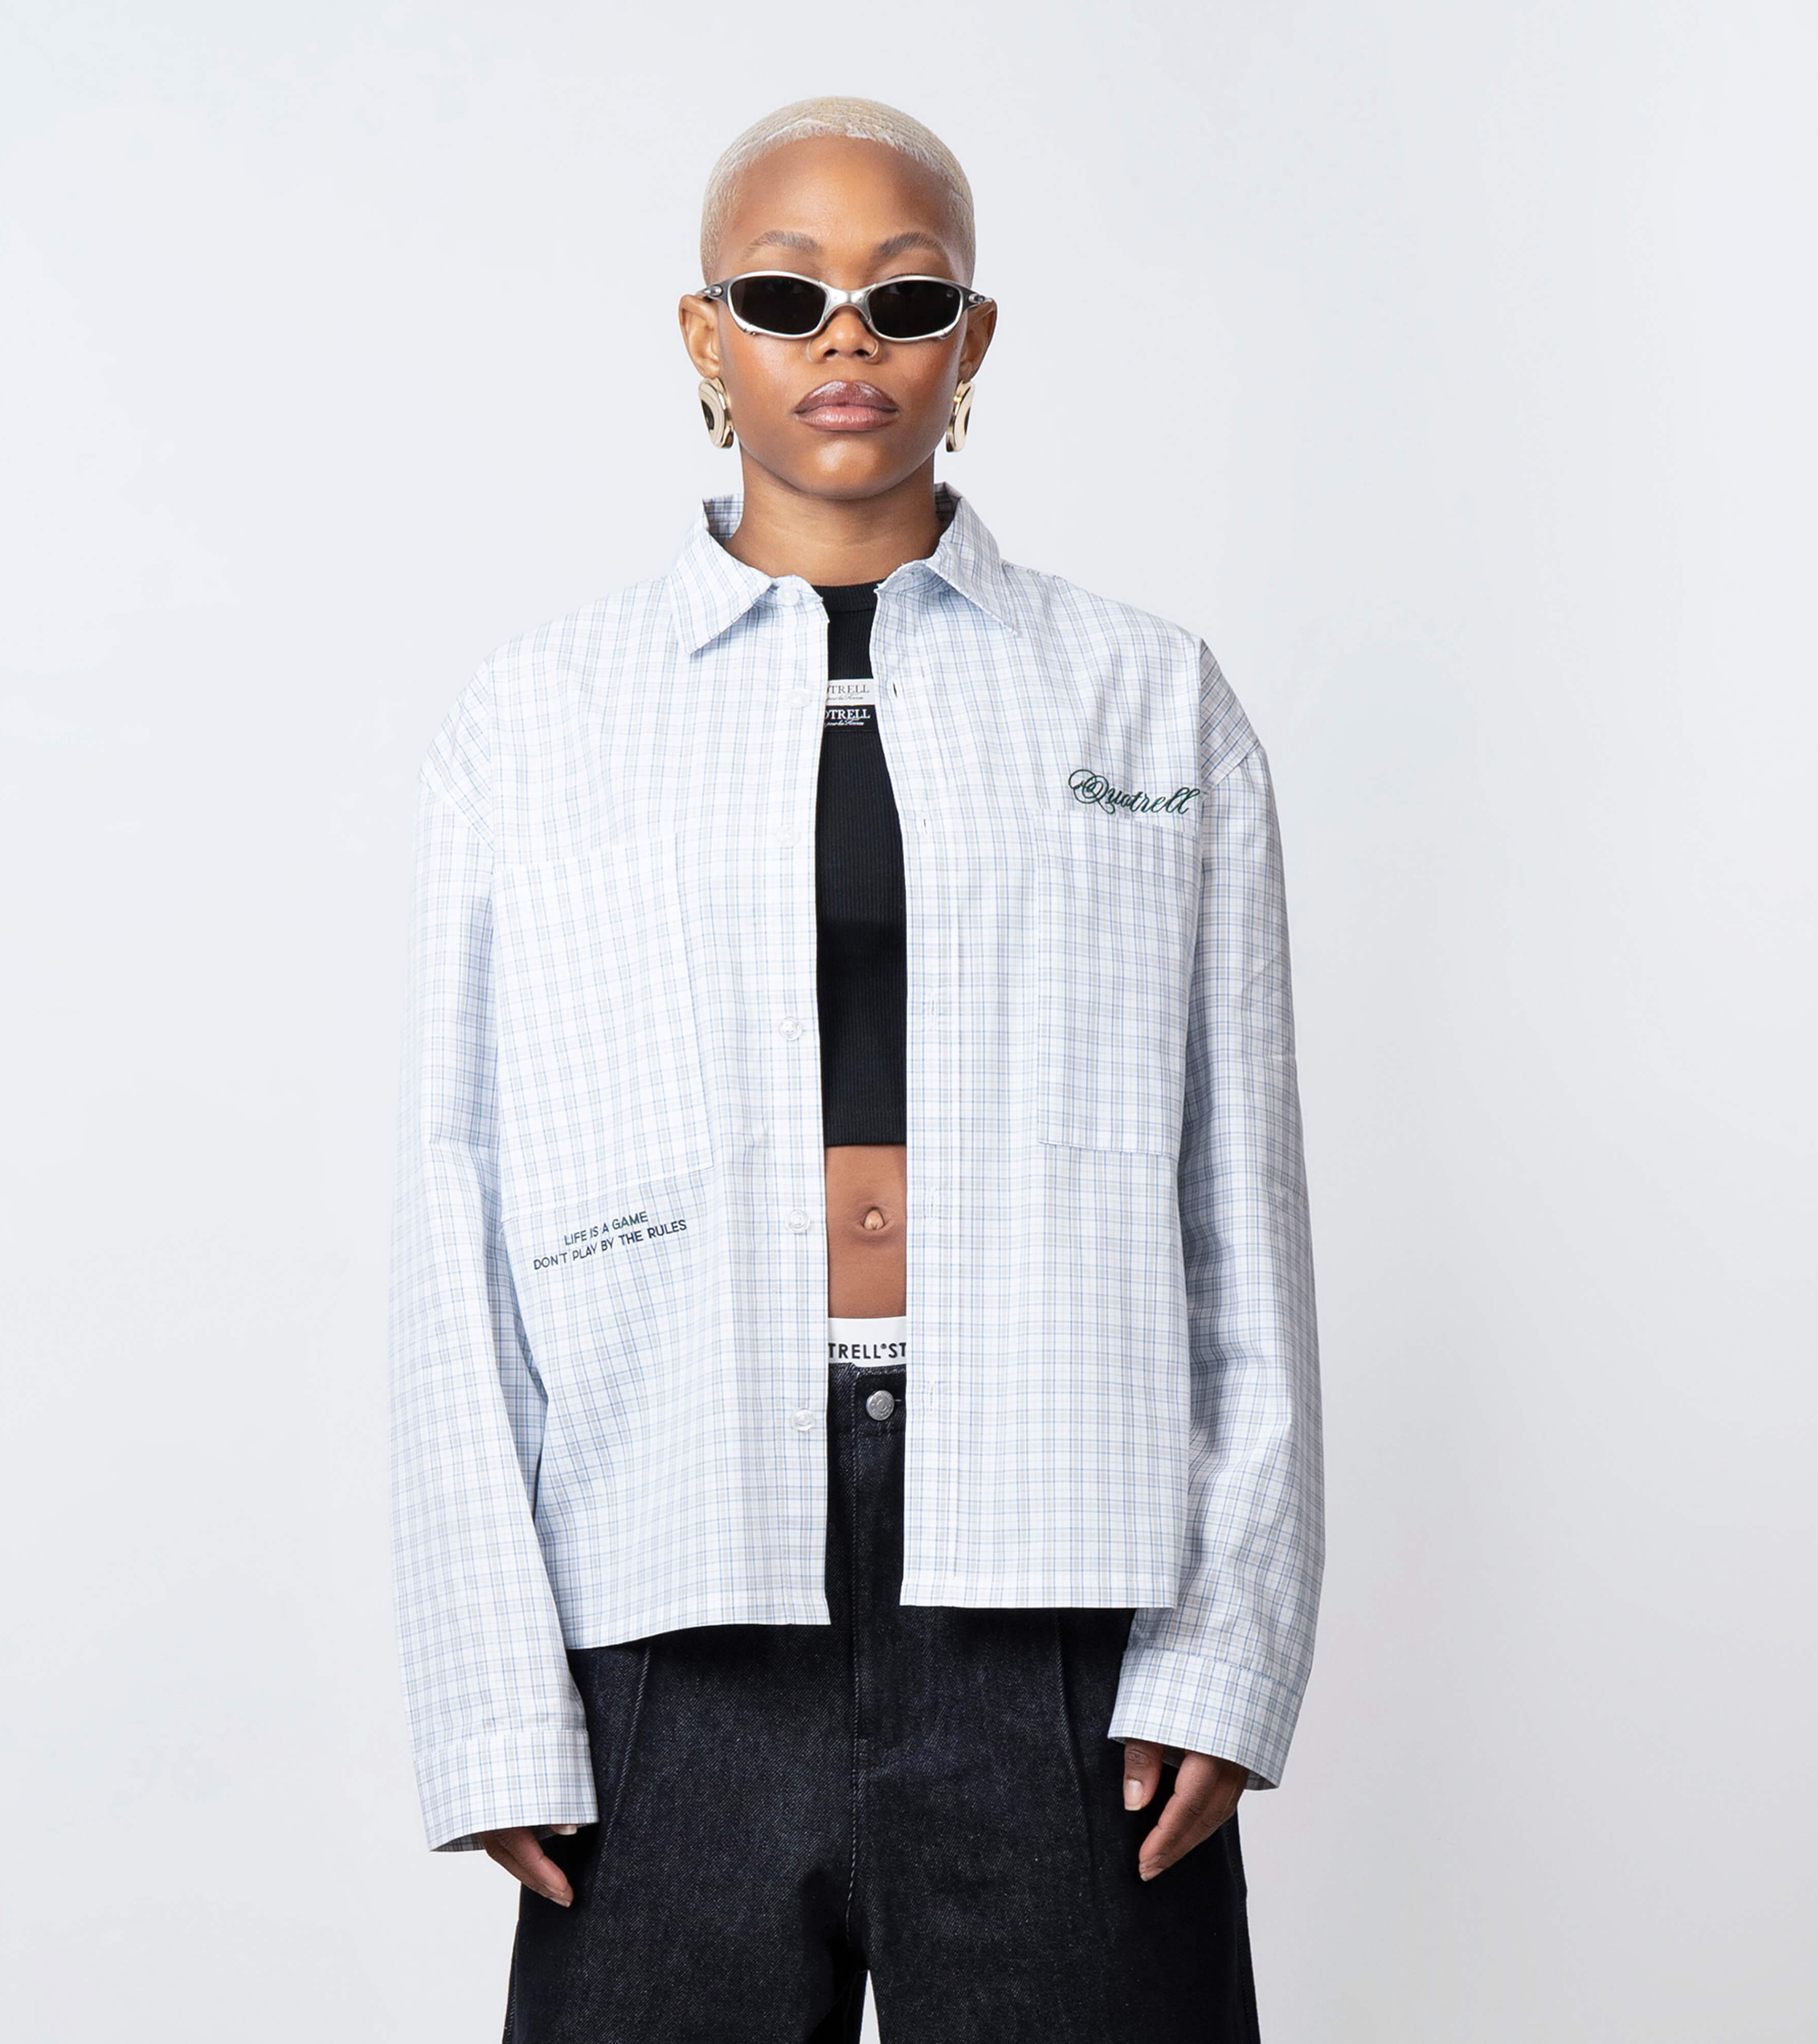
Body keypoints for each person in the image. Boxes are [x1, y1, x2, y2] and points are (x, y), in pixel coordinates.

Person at [390, 95, 1323, 2043]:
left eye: (904, 299)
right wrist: (491, 1692)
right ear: (703, 336)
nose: (844, 338)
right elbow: (455, 1218)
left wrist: (1226, 1649)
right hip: (672, 1596)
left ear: (971, 342)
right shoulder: (539, 725)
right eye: (781, 294)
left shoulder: (1149, 700)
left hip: (1060, 1610)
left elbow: (1240, 1211)